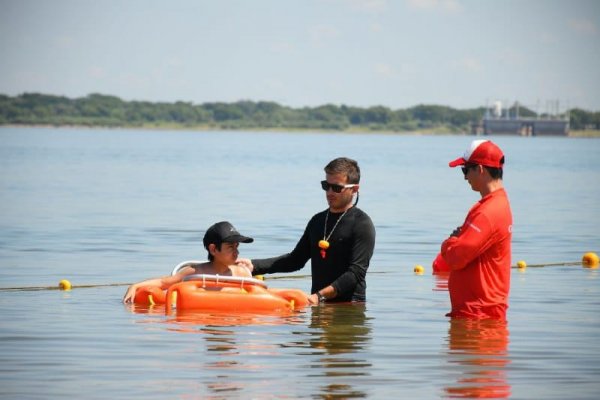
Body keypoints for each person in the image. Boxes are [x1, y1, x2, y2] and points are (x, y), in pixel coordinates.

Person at [238, 157, 376, 305]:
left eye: (336, 188)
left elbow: (356, 273)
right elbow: (295, 260)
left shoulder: (362, 224)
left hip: (349, 308)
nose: (329, 192)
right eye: (326, 186)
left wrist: (319, 296)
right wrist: (253, 266)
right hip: (318, 304)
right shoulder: (317, 221)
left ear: (354, 189)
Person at [440, 139, 513, 319]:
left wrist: (449, 242)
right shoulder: (493, 205)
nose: (465, 177)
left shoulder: (488, 212)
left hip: (479, 318)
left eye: (465, 170)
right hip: (477, 314)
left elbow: (456, 257)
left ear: (480, 170)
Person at [122, 221, 254, 303]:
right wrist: (134, 286)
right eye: (231, 247)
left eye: (237, 247)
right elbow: (163, 283)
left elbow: (259, 296)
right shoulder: (196, 272)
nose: (236, 252)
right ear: (213, 249)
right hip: (205, 320)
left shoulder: (242, 273)